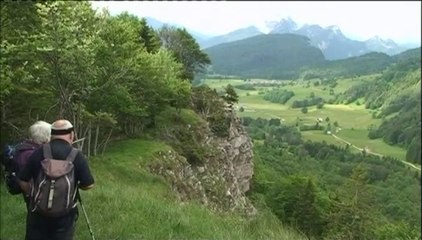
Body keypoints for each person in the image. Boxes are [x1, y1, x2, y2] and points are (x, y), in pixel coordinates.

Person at [19, 119, 95, 240]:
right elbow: (89, 184)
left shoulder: (39, 152)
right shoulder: (76, 155)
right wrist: (77, 185)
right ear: (72, 135)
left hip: (38, 214)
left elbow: (22, 180)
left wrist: (32, 195)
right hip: (65, 215)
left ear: (51, 135)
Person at [9, 120, 51, 206]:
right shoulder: (31, 154)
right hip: (34, 194)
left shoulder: (25, 148)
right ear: (46, 138)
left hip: (31, 192)